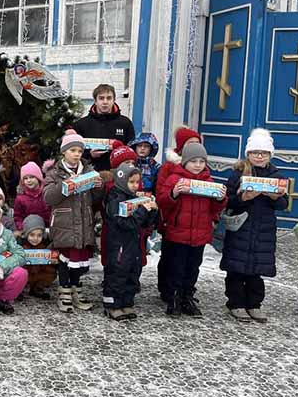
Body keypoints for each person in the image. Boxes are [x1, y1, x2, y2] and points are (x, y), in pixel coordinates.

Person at [221, 129, 288, 323]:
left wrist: (275, 197)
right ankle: (235, 303)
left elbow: (284, 204)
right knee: (236, 268)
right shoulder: (237, 174)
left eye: (264, 153)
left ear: (270, 155)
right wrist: (243, 198)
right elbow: (228, 201)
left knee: (256, 271)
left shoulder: (277, 175)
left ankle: (254, 304)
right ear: (248, 153)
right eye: (255, 152)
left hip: (263, 230)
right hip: (241, 228)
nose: (259, 156)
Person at [157, 143, 227, 318]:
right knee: (176, 268)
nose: (197, 165)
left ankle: (187, 297)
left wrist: (220, 198)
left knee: (193, 268)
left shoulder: (209, 181)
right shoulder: (174, 179)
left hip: (199, 234)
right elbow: (162, 202)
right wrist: (173, 193)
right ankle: (173, 299)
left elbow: (214, 208)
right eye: (193, 161)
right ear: (185, 161)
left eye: (201, 161)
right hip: (177, 234)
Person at [44, 130, 104, 313]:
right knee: (65, 260)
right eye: (73, 151)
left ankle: (76, 291)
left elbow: (95, 199)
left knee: (78, 260)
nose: (77, 154)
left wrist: (98, 187)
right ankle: (64, 293)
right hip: (64, 224)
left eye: (79, 151)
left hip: (83, 224)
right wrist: (65, 187)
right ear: (64, 152)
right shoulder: (54, 173)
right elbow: (47, 198)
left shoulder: (88, 170)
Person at [102, 163, 158, 321]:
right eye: (131, 182)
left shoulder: (135, 198)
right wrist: (143, 210)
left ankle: (127, 302)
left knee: (132, 274)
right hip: (119, 245)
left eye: (137, 182)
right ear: (122, 180)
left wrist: (152, 211)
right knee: (117, 275)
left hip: (133, 244)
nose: (135, 186)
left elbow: (144, 224)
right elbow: (125, 223)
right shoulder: (115, 198)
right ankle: (112, 305)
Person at [155, 126, 202, 303]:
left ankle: (185, 292)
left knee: (190, 261)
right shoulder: (169, 167)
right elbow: (161, 193)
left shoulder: (200, 166)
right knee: (170, 257)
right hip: (172, 221)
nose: (194, 147)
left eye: (197, 144)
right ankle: (167, 289)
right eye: (190, 144)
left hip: (194, 224)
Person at [73, 84, 135, 172]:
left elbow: (132, 149)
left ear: (114, 100)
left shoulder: (125, 123)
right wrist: (90, 155)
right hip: (89, 174)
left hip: (118, 174)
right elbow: (73, 151)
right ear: (95, 101)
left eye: (109, 98)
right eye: (101, 98)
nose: (105, 102)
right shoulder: (81, 124)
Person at [20, 214, 57, 300]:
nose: (35, 238)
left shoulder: (44, 247)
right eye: (32, 235)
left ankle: (38, 287)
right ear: (26, 234)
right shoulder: (21, 247)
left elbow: (48, 266)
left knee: (51, 273)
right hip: (27, 274)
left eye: (39, 235)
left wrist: (52, 261)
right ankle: (20, 288)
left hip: (39, 274)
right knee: (19, 273)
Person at [13, 161, 50, 232]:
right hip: (31, 232)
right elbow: (18, 217)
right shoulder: (20, 198)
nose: (29, 180)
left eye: (32, 177)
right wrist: (23, 228)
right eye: (25, 178)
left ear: (38, 178)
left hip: (49, 229)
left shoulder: (47, 192)